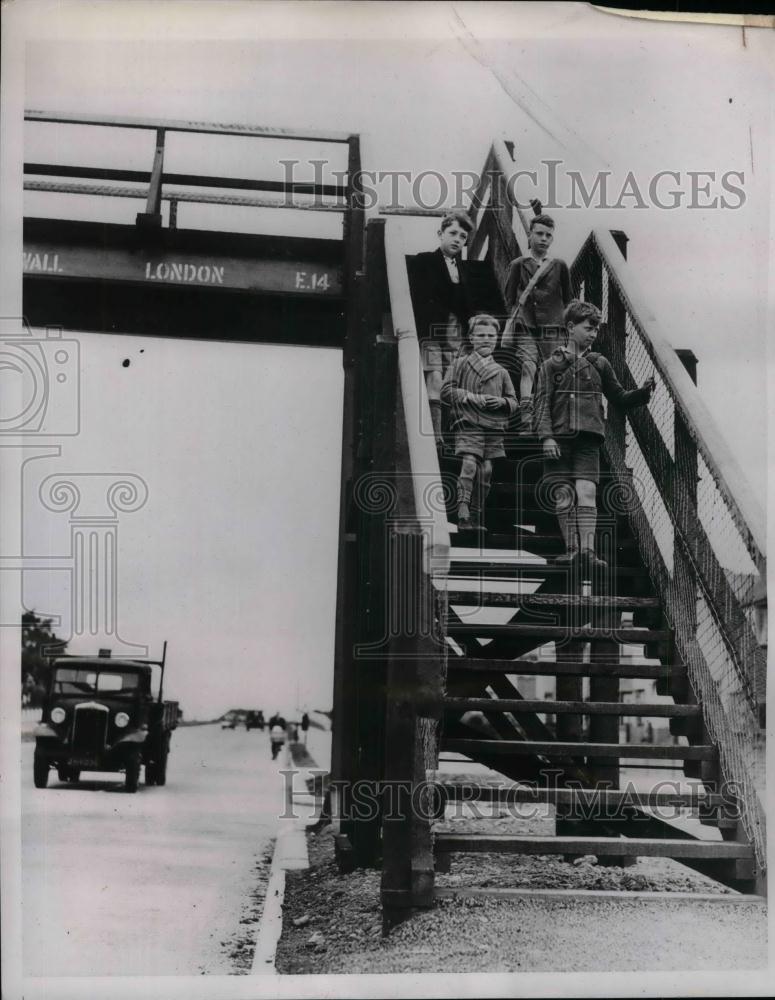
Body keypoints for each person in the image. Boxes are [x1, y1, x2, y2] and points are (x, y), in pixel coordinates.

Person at [533, 299, 655, 567]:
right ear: (570, 327)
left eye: (596, 330)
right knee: (563, 493)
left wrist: (642, 393)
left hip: (588, 439)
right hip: (559, 440)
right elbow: (540, 404)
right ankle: (571, 549)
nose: (593, 334)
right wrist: (547, 437)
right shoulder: (551, 365)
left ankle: (588, 551)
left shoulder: (599, 363)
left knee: (586, 491)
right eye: (588, 328)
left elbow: (619, 396)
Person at [441, 313, 517, 531]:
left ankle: (476, 514)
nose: (486, 339)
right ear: (472, 338)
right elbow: (446, 391)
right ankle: (463, 511)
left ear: (497, 338)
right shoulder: (460, 363)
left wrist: (501, 402)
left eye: (491, 335)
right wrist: (470, 396)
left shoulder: (501, 371)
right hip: (469, 423)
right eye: (481, 335)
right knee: (469, 464)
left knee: (486, 471)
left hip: (493, 428)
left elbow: (514, 402)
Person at [409, 209, 476, 451]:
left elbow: (467, 306)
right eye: (453, 233)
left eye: (463, 236)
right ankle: (436, 437)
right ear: (441, 233)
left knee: (453, 383)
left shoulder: (465, 271)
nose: (458, 239)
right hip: (431, 332)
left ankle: (455, 437)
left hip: (456, 334)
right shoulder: (423, 260)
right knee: (435, 377)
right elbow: (418, 297)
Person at [501, 213, 573, 433]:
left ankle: (550, 421)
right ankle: (526, 417)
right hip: (527, 325)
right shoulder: (518, 265)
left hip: (553, 327)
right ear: (530, 236)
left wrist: (568, 325)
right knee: (528, 367)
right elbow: (509, 297)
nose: (543, 238)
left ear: (552, 239)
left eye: (548, 235)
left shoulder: (560, 265)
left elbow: (569, 298)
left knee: (552, 371)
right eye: (539, 234)